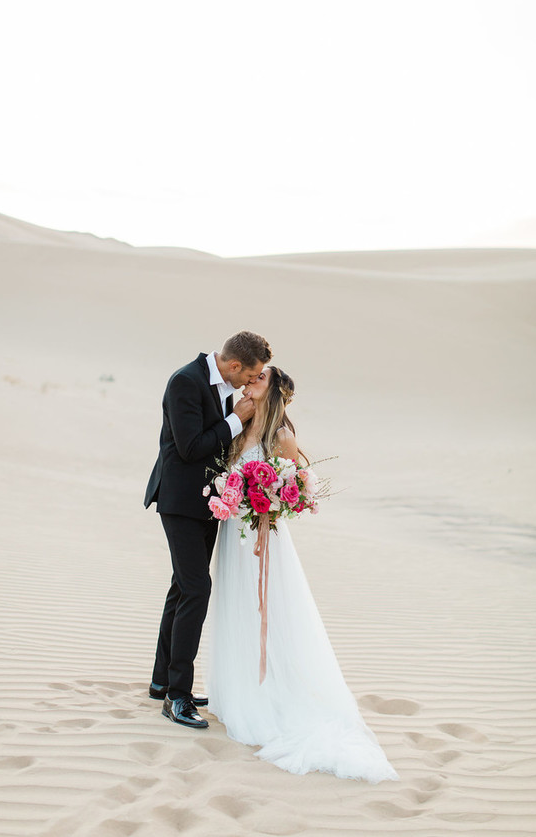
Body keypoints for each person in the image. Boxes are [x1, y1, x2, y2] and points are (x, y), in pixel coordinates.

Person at [207, 366, 398, 781]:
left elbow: (286, 494)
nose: (249, 382)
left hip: (263, 542)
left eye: (258, 378)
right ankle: (240, 691)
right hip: (233, 537)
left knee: (270, 614)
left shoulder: (281, 437)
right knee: (236, 611)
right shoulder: (239, 427)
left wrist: (266, 501)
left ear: (272, 390)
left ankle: (272, 695)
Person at [144, 331, 273, 728]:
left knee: (182, 588)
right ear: (234, 365)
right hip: (180, 502)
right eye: (249, 375)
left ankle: (162, 680)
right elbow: (189, 447)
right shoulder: (186, 381)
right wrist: (238, 419)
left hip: (208, 505)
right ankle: (178, 697)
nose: (250, 383)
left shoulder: (222, 386)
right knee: (197, 589)